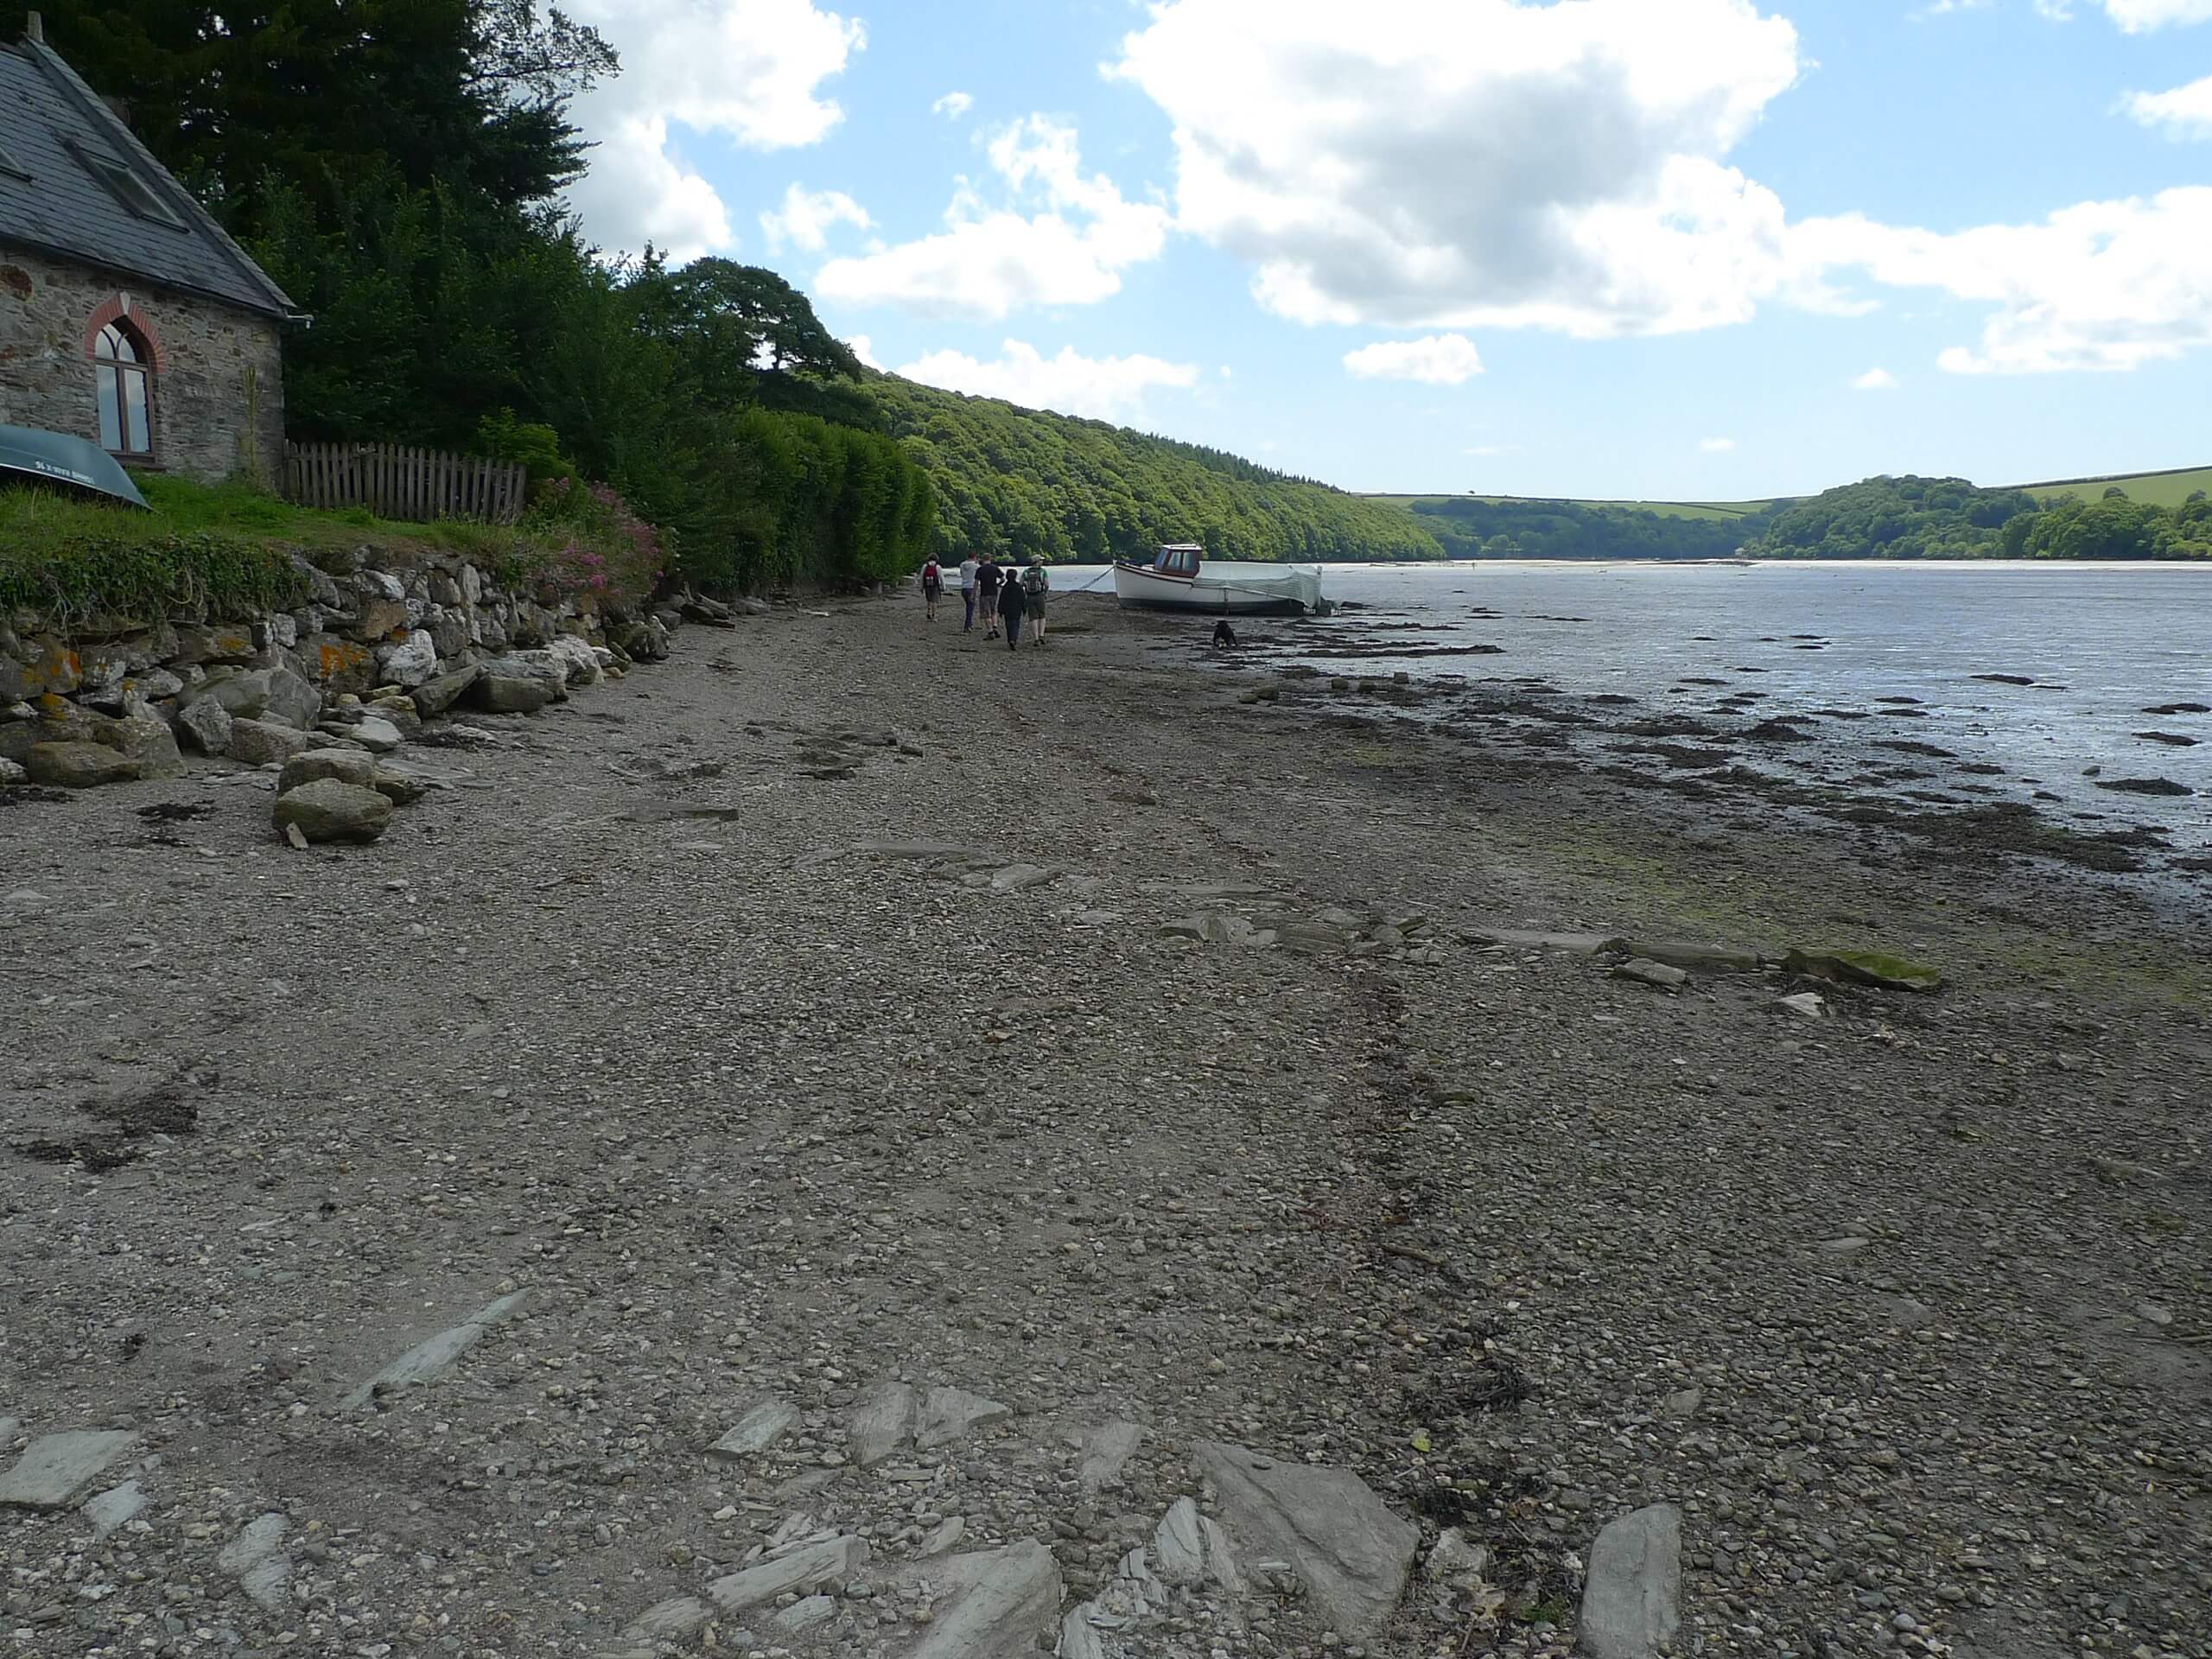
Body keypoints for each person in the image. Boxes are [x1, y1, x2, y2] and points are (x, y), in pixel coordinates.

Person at [1020, 557, 1050, 646]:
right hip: (1040, 595)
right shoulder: (1042, 571)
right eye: (1041, 560)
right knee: (1042, 615)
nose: (1042, 561)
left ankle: (1036, 638)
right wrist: (1045, 593)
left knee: (1033, 617)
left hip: (1029, 596)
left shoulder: (1026, 572)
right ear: (1037, 562)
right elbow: (1047, 584)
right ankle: (1041, 635)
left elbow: (1020, 583)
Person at [998, 564, 1027, 649]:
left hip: (1007, 609)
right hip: (1017, 608)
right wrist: (1024, 608)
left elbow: (1002, 599)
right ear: (1015, 576)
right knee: (1016, 624)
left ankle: (1010, 638)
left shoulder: (1005, 587)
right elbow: (1022, 598)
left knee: (1008, 624)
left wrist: (1000, 610)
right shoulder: (1018, 587)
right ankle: (1013, 639)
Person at [976, 556, 1004, 640]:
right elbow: (1003, 578)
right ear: (990, 559)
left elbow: (976, 582)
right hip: (994, 592)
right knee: (993, 611)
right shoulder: (995, 568)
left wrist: (974, 593)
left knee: (986, 613)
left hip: (984, 593)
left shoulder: (980, 569)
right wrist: (998, 585)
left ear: (983, 560)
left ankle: (990, 631)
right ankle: (995, 626)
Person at [958, 552, 980, 632]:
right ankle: (967, 626)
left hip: (964, 587)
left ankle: (970, 624)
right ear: (975, 557)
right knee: (970, 608)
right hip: (971, 587)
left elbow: (961, 574)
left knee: (968, 606)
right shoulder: (976, 566)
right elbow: (978, 577)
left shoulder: (962, 564)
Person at [920, 556, 944, 623]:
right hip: (935, 585)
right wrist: (943, 587)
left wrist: (921, 587)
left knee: (929, 600)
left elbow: (921, 577)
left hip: (927, 585)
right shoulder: (938, 567)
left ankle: (929, 612)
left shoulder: (925, 566)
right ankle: (934, 615)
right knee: (935, 601)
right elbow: (941, 577)